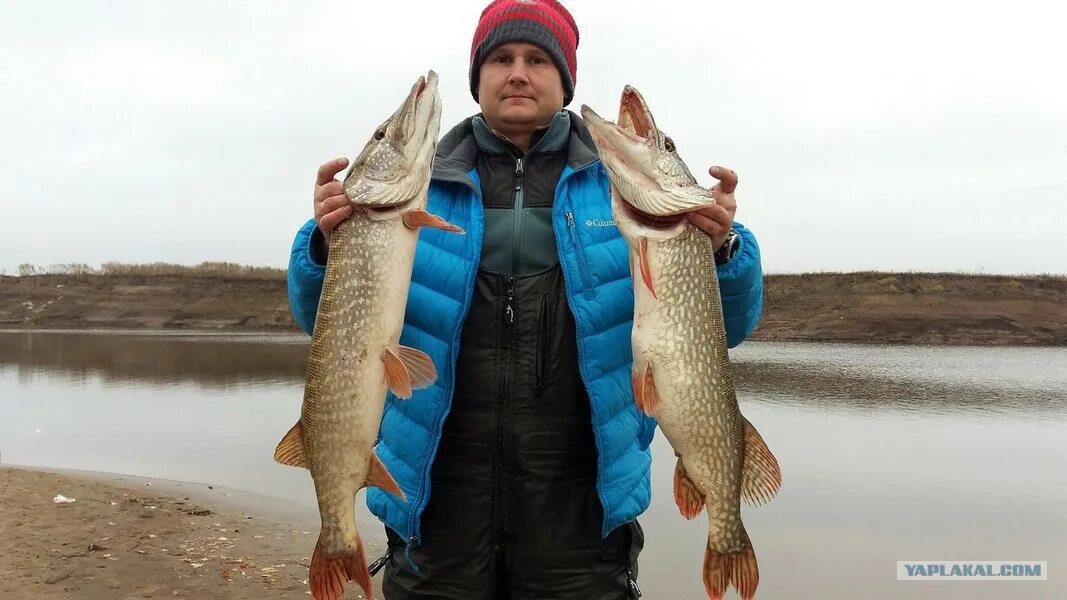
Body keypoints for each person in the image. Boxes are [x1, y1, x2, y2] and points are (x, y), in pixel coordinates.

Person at [286, 1, 764, 597]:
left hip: (580, 501)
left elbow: (728, 331)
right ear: (478, 78)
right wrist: (327, 249)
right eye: (501, 58)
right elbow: (326, 329)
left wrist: (720, 253)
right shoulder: (414, 187)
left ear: (564, 80)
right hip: (437, 494)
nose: (518, 72)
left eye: (537, 59)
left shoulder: (628, 191)